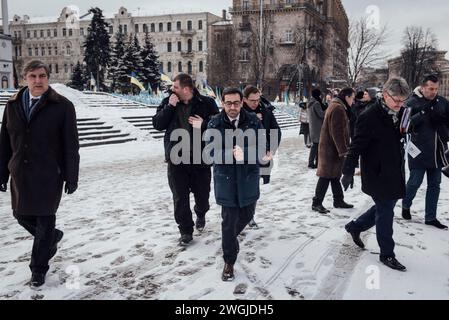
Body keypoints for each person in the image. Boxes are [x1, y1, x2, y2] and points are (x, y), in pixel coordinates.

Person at [0, 60, 79, 287]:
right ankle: (52, 238)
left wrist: (71, 175)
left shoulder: (62, 106)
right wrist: (1, 173)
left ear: (48, 78)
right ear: (25, 78)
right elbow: (4, 141)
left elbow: (71, 145)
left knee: (45, 220)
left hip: (49, 174)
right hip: (20, 173)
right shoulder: (13, 104)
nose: (38, 81)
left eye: (42, 76)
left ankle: (38, 270)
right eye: (33, 76)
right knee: (20, 215)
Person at [342, 77, 410, 271]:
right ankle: (387, 253)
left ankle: (355, 226)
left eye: (403, 101)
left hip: (395, 169)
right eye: (396, 100)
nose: (400, 104)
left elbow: (401, 134)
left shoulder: (403, 111)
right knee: (386, 212)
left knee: (384, 207)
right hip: (377, 172)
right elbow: (356, 146)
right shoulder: (369, 115)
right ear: (385, 95)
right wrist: (348, 171)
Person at [205, 87, 264, 281]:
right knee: (228, 223)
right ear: (223, 103)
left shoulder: (253, 121)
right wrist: (229, 154)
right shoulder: (214, 123)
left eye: (236, 103)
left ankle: (228, 239)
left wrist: (244, 154)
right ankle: (229, 261)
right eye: (228, 103)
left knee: (247, 214)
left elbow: (263, 149)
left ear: (242, 102)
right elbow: (210, 153)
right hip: (226, 181)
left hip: (248, 179)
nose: (232, 107)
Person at [153, 73, 219, 246]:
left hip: (200, 160)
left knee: (203, 197)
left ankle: (201, 213)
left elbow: (218, 123)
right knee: (180, 197)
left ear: (187, 89)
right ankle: (185, 231)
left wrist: (204, 123)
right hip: (176, 160)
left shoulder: (207, 103)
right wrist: (169, 107)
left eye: (175, 87)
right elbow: (157, 124)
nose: (172, 90)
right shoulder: (169, 102)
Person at [401, 75, 449, 229]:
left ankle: (430, 217)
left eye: (436, 88)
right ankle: (406, 204)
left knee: (435, 184)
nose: (434, 92)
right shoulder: (411, 102)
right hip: (418, 150)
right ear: (422, 88)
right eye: (431, 88)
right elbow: (403, 126)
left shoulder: (442, 102)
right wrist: (421, 113)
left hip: (437, 151)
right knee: (415, 182)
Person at [242, 85, 282, 228]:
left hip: (259, 157)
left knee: (253, 188)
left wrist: (271, 150)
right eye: (252, 100)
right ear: (244, 100)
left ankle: (249, 216)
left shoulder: (265, 111)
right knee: (239, 187)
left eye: (258, 100)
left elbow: (276, 131)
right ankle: (239, 215)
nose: (256, 103)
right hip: (240, 157)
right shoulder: (237, 112)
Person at [311, 88, 354, 213]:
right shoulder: (338, 108)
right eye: (352, 98)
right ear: (346, 97)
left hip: (331, 148)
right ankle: (316, 203)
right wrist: (343, 151)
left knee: (335, 175)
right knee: (325, 176)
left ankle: (338, 200)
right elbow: (337, 132)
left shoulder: (336, 105)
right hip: (331, 149)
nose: (353, 101)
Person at [307, 89, 326, 169]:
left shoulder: (310, 103)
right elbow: (321, 115)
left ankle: (316, 163)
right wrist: (327, 111)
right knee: (316, 146)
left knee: (316, 145)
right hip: (318, 127)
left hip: (313, 127)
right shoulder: (316, 103)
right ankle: (311, 163)